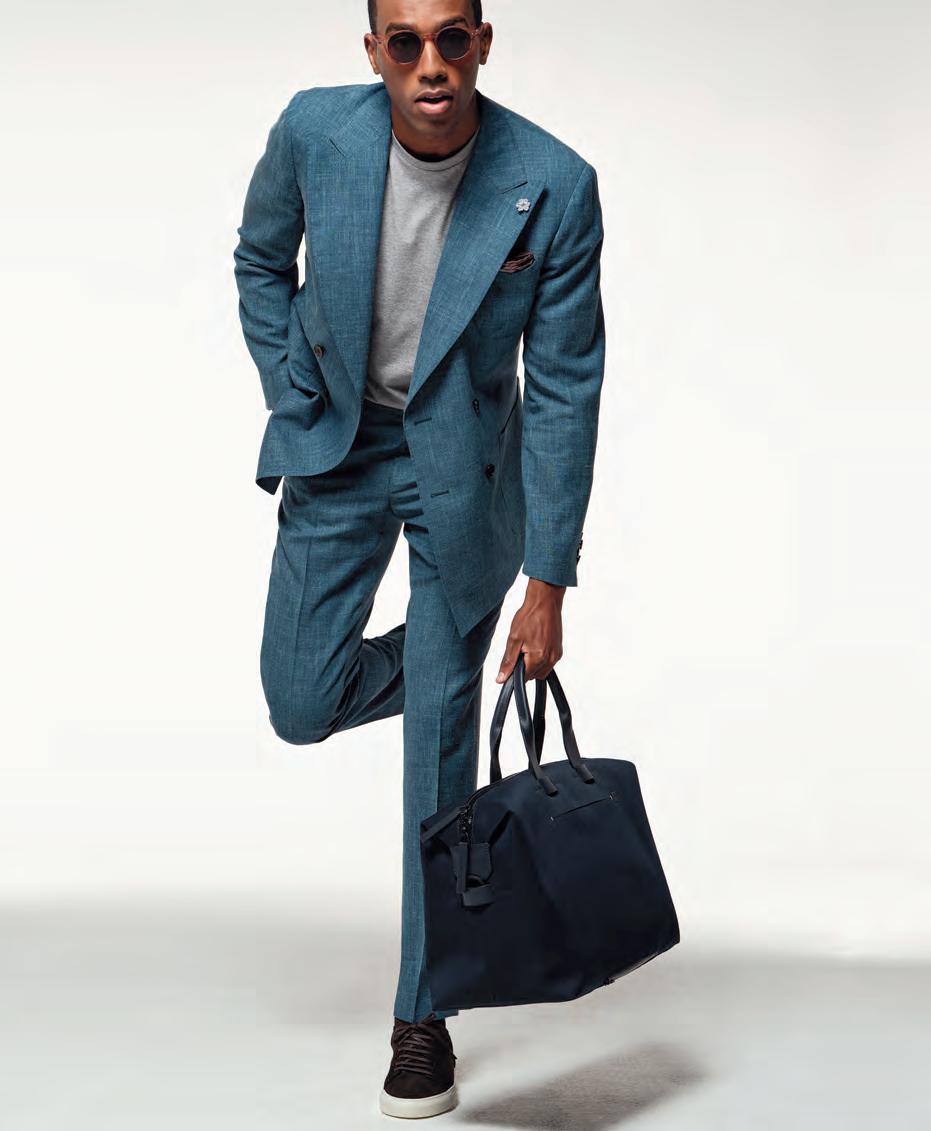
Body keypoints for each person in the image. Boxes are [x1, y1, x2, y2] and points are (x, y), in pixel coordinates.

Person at [232, 0, 606, 1118]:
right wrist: (294, 388)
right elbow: (258, 260)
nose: (431, 63)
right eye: (406, 42)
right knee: (299, 699)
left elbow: (564, 388)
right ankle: (448, 664)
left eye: (452, 38)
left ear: (483, 42)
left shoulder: (554, 182)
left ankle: (422, 1012)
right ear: (374, 53)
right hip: (341, 448)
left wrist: (545, 581)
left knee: (437, 753)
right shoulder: (314, 131)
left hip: (464, 473)